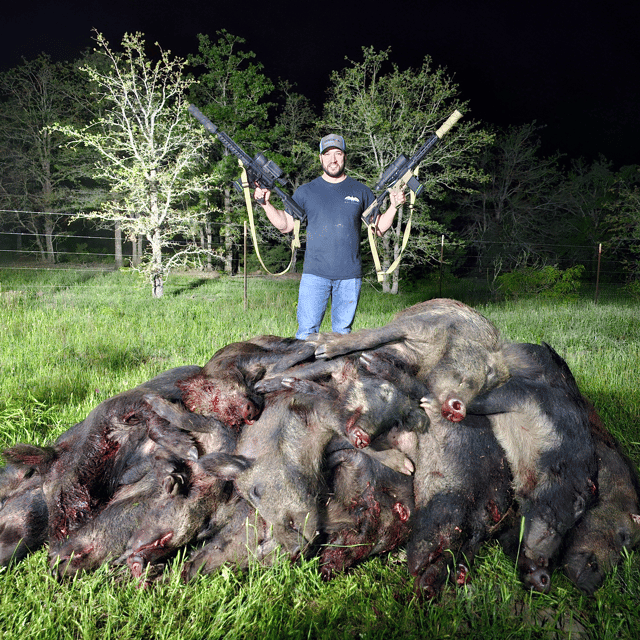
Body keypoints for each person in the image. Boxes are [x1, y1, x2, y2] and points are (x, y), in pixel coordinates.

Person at [254, 133, 405, 340]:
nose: (333, 159)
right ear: (320, 158)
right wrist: (265, 204)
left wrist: (394, 207)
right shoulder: (306, 191)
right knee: (306, 334)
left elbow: (378, 228)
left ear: (344, 157)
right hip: (314, 275)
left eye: (338, 153)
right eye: (327, 154)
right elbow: (286, 225)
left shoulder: (360, 191)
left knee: (342, 337)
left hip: (349, 276)